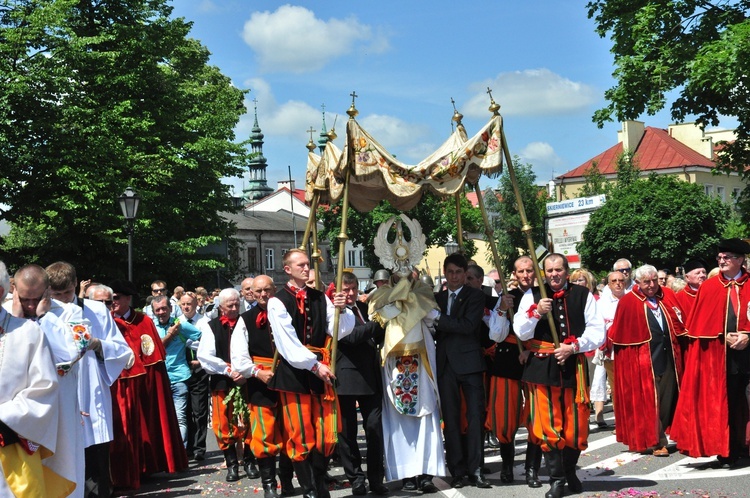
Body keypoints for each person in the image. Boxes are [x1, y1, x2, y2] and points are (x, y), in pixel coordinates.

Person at [514, 253, 605, 498]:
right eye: (549, 270)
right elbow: (519, 331)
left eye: (558, 269)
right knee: (547, 425)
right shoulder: (531, 295)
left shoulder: (582, 294)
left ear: (567, 270)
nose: (554, 274)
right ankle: (556, 479)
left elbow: (598, 332)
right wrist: (535, 312)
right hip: (541, 368)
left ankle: (568, 470)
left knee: (576, 427)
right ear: (544, 273)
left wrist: (573, 347)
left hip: (572, 366)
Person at [267, 249, 354, 498]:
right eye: (301, 265)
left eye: (308, 265)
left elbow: (339, 331)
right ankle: (308, 488)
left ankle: (319, 482)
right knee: (300, 431)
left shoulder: (319, 297)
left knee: (324, 431)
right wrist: (315, 365)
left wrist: (342, 309)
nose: (306, 268)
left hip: (319, 371)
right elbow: (287, 343)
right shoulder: (277, 301)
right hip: (296, 373)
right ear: (288, 270)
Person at [46, 261, 133, 498]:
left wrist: (97, 345)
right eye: (57, 294)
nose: (63, 299)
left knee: (96, 471)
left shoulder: (97, 310)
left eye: (67, 293)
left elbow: (122, 351)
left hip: (90, 396)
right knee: (62, 468)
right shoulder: (42, 313)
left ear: (76, 283)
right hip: (59, 397)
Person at [671, 239, 750, 467]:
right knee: (728, 405)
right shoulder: (710, 287)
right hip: (721, 359)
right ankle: (728, 451)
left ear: (740, 260)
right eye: (720, 258)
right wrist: (720, 335)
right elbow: (700, 325)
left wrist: (748, 336)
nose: (721, 261)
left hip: (748, 355)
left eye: (726, 257)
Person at [369, 272, 445, 492]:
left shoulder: (422, 293)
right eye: (399, 272)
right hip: (395, 365)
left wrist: (412, 302)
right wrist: (399, 299)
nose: (404, 277)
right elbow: (381, 316)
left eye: (408, 271)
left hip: (422, 362)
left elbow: (433, 317)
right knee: (398, 419)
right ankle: (406, 474)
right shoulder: (381, 295)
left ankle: (427, 473)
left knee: (426, 415)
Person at [108, 279, 187, 490]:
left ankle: (147, 466)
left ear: (128, 299)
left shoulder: (143, 321)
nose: (112, 302)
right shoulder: (105, 321)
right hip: (116, 387)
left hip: (142, 385)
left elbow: (153, 356)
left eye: (116, 298)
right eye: (110, 299)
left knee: (146, 426)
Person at [10, 264, 82, 496]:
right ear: (13, 290)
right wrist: (16, 319)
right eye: (25, 299)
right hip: (19, 411)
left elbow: (71, 353)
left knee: (62, 467)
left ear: (48, 291)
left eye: (36, 299)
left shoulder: (69, 312)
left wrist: (44, 317)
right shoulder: (6, 315)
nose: (30, 305)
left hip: (58, 408)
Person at [608, 265, 685, 455]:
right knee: (652, 400)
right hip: (645, 362)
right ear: (638, 282)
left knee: (668, 399)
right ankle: (657, 441)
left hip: (669, 358)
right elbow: (621, 337)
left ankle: (665, 432)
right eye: (646, 282)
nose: (651, 285)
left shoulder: (666, 296)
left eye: (654, 281)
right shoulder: (628, 302)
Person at [231, 275, 294, 498]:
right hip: (261, 382)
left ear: (274, 290)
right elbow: (238, 357)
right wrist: (257, 373)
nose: (263, 295)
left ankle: (287, 480)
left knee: (290, 432)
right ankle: (269, 484)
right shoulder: (245, 319)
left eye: (267, 290)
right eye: (258, 292)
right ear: (251, 294)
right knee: (264, 434)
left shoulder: (287, 311)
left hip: (289, 379)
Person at [434, 253, 490, 489]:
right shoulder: (436, 298)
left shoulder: (476, 295)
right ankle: (456, 469)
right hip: (445, 365)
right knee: (452, 420)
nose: (455, 277)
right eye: (451, 272)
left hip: (470, 365)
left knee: (476, 417)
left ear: (465, 274)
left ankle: (476, 469)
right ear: (445, 274)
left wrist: (439, 318)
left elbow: (468, 326)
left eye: (459, 272)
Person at [335, 272, 388, 495]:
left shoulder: (366, 309)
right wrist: (379, 321)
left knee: (374, 428)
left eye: (353, 289)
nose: (350, 294)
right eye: (345, 290)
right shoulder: (335, 312)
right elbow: (352, 337)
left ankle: (376, 478)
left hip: (371, 376)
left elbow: (379, 336)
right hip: (346, 377)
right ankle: (356, 477)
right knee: (347, 433)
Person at [197, 288, 258, 482]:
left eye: (236, 304)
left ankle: (249, 460)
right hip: (222, 381)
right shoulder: (211, 326)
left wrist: (246, 371)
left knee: (248, 420)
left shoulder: (245, 322)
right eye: (229, 305)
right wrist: (228, 370)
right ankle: (231, 463)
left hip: (247, 380)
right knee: (223, 423)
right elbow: (205, 356)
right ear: (221, 307)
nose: (233, 308)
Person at [505, 256, 545, 489]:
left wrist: (531, 351)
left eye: (530, 270)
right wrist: (502, 309)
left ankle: (532, 470)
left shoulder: (544, 293)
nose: (526, 275)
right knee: (506, 419)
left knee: (535, 419)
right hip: (508, 363)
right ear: (514, 274)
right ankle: (508, 466)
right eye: (521, 271)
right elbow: (497, 334)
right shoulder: (507, 297)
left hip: (536, 361)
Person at [152, 295, 202, 447]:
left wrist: (200, 360)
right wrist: (171, 334)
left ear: (171, 309)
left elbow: (203, 338)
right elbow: (155, 350)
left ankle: (179, 452)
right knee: (160, 418)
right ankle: (166, 454)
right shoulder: (151, 327)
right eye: (158, 309)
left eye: (164, 308)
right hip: (158, 379)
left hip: (179, 378)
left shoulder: (181, 325)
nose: (161, 312)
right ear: (154, 312)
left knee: (179, 418)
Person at [179, 291, 211, 462]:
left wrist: (201, 360)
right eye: (183, 304)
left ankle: (199, 447)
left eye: (189, 304)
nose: (186, 307)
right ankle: (187, 446)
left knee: (199, 411)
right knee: (184, 412)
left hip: (199, 370)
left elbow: (208, 344)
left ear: (196, 304)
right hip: (182, 370)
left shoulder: (204, 322)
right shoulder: (178, 323)